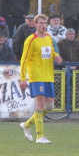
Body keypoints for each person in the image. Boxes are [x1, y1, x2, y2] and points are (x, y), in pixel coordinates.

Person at [18, 14, 62, 144]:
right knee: (40, 104)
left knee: (49, 106)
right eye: (41, 23)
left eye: (45, 23)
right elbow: (24, 59)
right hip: (36, 75)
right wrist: (23, 78)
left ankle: (26, 125)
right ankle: (40, 136)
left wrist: (56, 56)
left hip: (48, 74)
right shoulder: (31, 40)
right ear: (35, 25)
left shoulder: (48, 37)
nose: (43, 25)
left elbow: (51, 51)